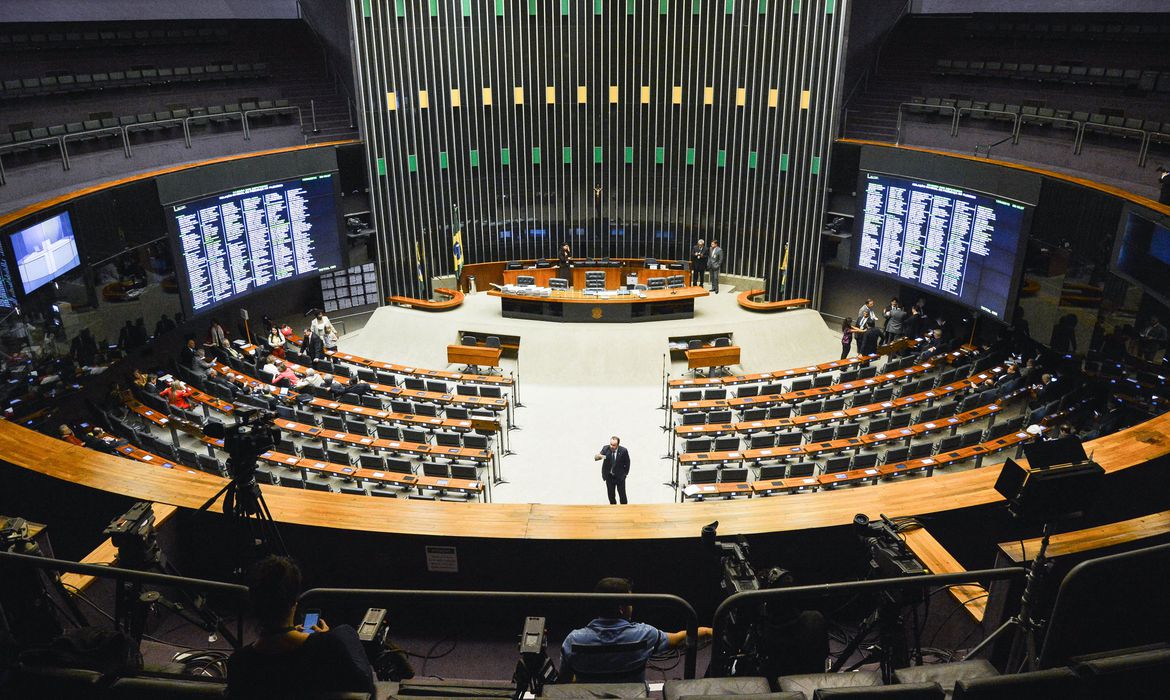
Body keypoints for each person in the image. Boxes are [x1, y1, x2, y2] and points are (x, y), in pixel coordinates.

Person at [227, 556, 376, 699]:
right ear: (294, 603)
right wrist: (326, 638)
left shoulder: (238, 663)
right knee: (345, 631)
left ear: (253, 604)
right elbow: (366, 689)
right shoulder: (326, 647)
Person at [560, 577, 712, 683]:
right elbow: (679, 638)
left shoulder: (572, 640)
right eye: (630, 602)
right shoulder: (644, 635)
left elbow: (564, 680)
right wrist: (708, 631)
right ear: (621, 609)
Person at [594, 436, 630, 505]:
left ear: (618, 445)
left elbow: (627, 463)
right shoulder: (606, 448)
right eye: (610, 444)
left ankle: (625, 511)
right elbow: (596, 457)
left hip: (620, 477)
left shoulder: (623, 451)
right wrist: (603, 456)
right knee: (611, 496)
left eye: (614, 445)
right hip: (609, 477)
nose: (611, 446)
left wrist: (625, 474)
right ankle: (613, 512)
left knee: (622, 496)